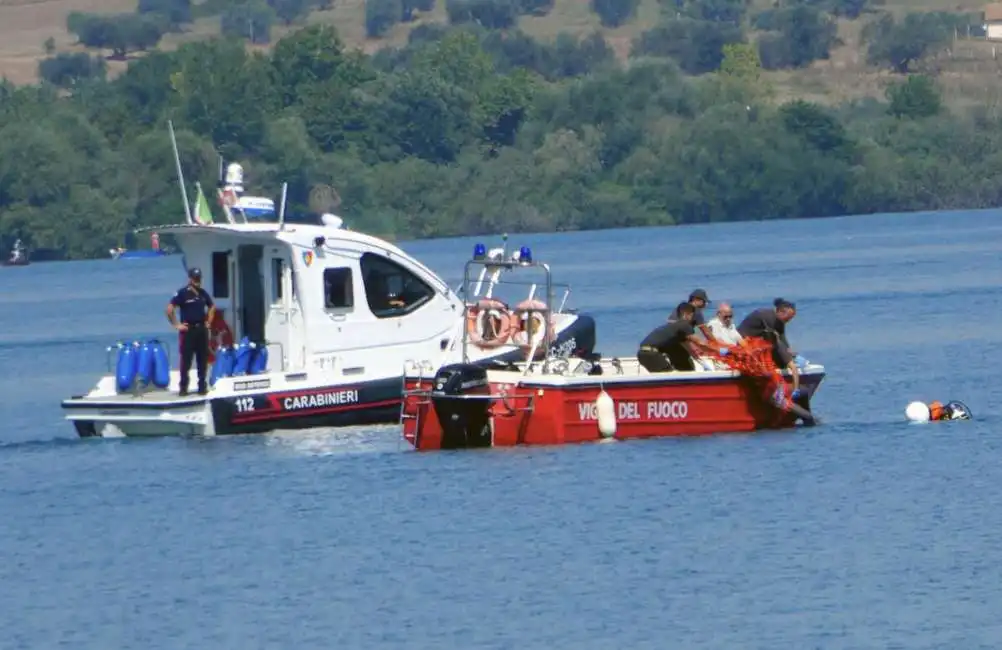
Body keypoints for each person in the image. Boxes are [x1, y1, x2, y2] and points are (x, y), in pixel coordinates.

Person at [166, 267, 216, 396]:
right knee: (186, 360)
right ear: (190, 279)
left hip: (201, 330)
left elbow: (212, 306)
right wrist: (177, 325)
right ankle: (183, 387)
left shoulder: (203, 293)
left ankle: (202, 387)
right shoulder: (182, 293)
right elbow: (170, 309)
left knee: (202, 360)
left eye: (198, 278)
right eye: (195, 278)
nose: (197, 281)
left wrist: (208, 322)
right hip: (188, 331)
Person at [638, 302, 704, 372]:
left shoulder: (673, 329)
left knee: (667, 376)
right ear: (686, 314)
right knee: (669, 376)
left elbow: (688, 348)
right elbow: (699, 342)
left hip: (642, 354)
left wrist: (695, 355)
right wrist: (714, 349)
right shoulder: (684, 324)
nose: (692, 319)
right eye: (692, 316)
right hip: (651, 354)